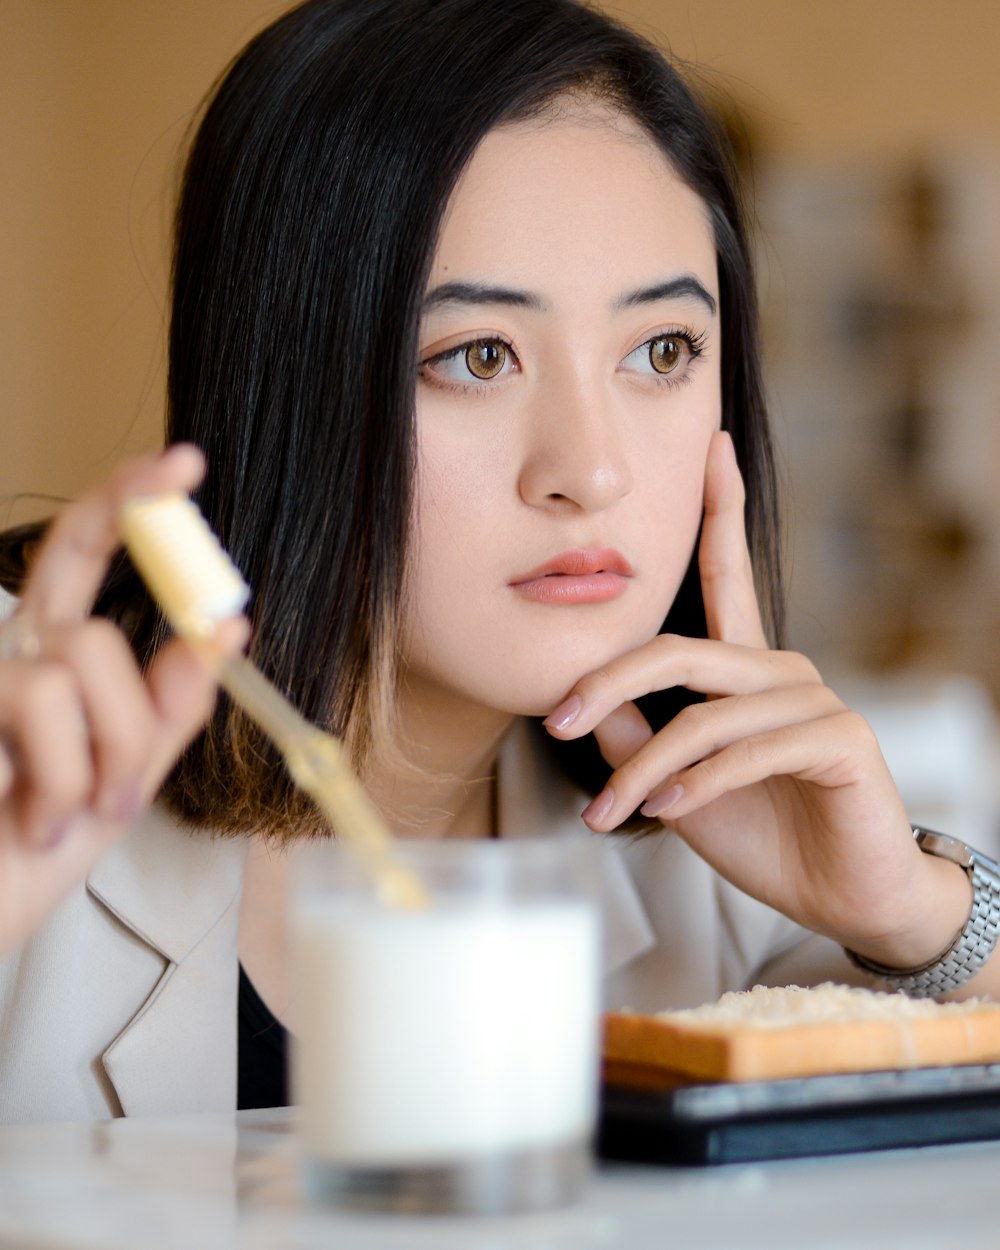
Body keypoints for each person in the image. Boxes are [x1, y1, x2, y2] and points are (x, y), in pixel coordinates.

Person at [0, 0, 996, 1124]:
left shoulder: (710, 835)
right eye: (479, 355)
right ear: (289, 382)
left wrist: (916, 912)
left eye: (661, 350)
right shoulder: (24, 735)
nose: (591, 471)